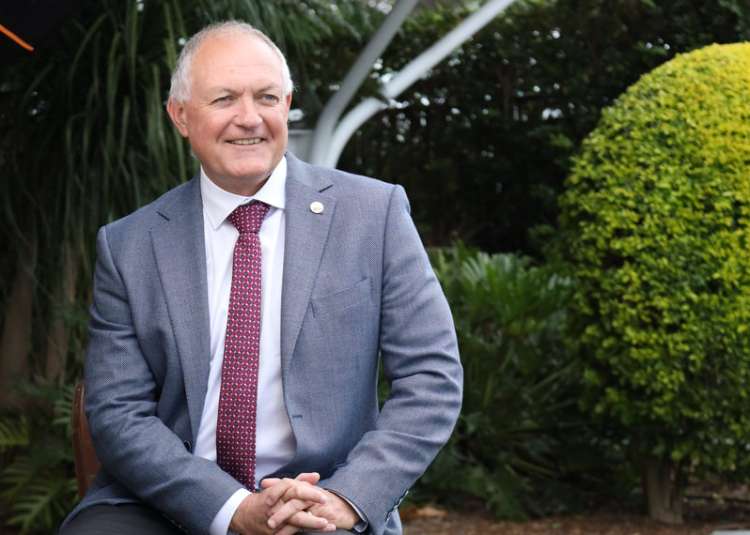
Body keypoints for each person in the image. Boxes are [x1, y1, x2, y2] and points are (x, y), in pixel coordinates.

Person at [59, 20, 462, 535]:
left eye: (267, 97)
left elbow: (431, 378)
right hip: (166, 502)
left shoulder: (373, 214)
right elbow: (118, 412)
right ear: (180, 115)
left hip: (323, 497)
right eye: (224, 99)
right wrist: (231, 508)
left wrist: (349, 497)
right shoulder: (129, 245)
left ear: (287, 104)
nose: (249, 118)